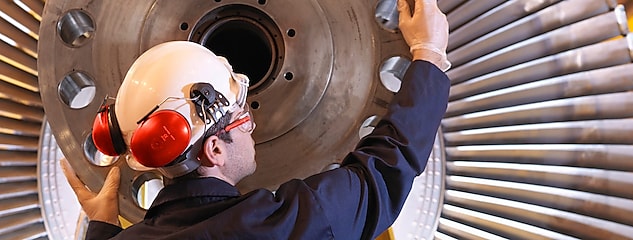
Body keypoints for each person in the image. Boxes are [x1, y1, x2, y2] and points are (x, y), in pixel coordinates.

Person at [60, 0, 450, 238]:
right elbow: (381, 175)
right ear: (213, 148)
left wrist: (103, 231)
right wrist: (428, 53)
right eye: (241, 116)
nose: (252, 124)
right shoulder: (277, 227)